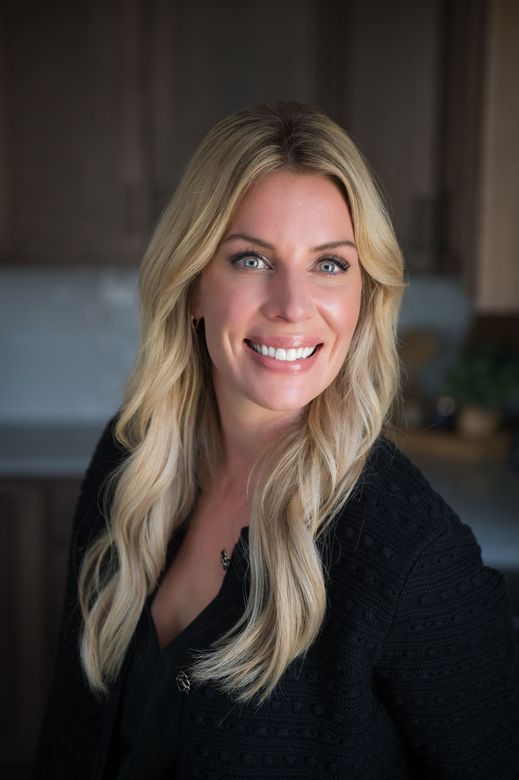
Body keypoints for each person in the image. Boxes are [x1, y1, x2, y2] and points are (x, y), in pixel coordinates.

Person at [34, 102, 519, 779]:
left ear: (362, 296)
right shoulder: (128, 462)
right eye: (251, 258)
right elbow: (69, 728)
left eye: (329, 265)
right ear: (193, 285)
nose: (292, 305)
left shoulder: (409, 555)